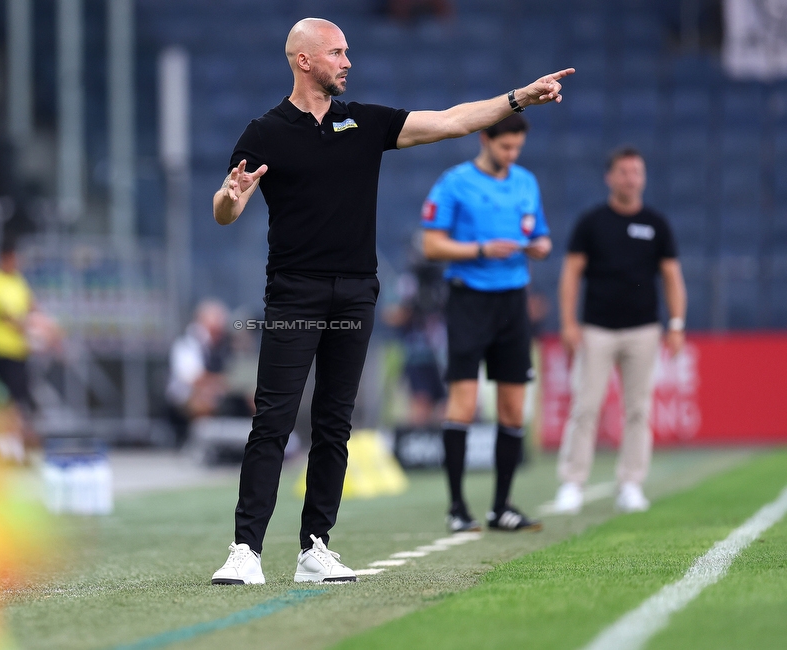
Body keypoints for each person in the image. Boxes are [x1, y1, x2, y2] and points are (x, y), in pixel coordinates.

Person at [209, 16, 573, 585]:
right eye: (336, 52)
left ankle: (315, 547)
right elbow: (225, 210)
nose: (347, 61)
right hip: (294, 292)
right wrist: (230, 198)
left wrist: (518, 98)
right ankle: (245, 550)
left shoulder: (366, 121)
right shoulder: (265, 133)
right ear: (304, 60)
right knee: (274, 421)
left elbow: (452, 121)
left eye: (347, 52)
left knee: (335, 423)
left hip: (356, 291)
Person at [420, 114, 551, 534]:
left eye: (517, 148)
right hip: (468, 300)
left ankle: (501, 508)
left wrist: (539, 247)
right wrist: (481, 249)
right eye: (504, 147)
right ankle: (457, 508)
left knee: (513, 408)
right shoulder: (455, 182)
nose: (511, 155)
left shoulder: (526, 182)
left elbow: (542, 235)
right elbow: (431, 244)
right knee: (463, 402)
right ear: (485, 139)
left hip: (514, 301)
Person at [552, 147, 687, 515]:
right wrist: (568, 323)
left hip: (643, 330)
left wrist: (676, 324)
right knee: (585, 406)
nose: (630, 178)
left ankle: (630, 483)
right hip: (597, 329)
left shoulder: (656, 224)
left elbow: (673, 278)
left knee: (639, 410)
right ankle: (572, 483)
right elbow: (571, 274)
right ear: (609, 177)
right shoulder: (592, 222)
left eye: (636, 172)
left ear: (643, 178)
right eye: (624, 172)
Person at [0, 234, 37, 464]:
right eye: (12, 259)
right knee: (2, 402)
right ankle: (3, 449)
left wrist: (42, 324)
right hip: (0, 351)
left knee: (18, 402)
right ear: (3, 258)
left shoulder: (19, 282)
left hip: (19, 352)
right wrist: (31, 327)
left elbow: (31, 306)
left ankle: (16, 449)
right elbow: (6, 316)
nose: (16, 263)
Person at [166, 299, 253, 448]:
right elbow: (192, 377)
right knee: (206, 396)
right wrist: (223, 381)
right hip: (188, 396)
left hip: (223, 391)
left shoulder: (224, 344)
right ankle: (203, 443)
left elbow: (240, 370)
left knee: (255, 394)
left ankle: (259, 438)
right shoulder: (188, 343)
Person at [383, 238, 448, 428]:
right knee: (421, 401)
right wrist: (412, 305)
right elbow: (391, 315)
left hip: (444, 353)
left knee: (447, 403)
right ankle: (418, 448)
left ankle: (444, 450)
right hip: (417, 353)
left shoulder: (444, 280)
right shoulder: (406, 282)